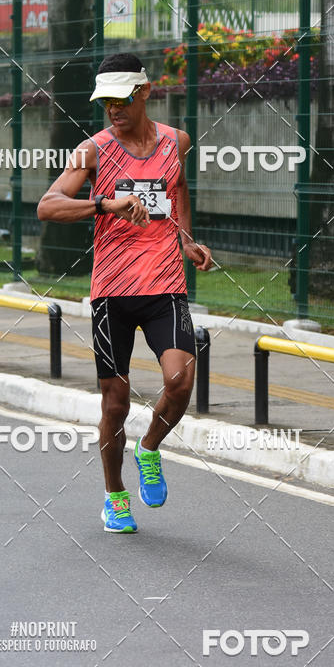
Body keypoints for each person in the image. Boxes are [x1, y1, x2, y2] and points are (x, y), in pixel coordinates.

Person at [37, 52, 212, 533]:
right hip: (112, 292)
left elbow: (177, 194)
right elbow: (48, 206)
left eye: (121, 99)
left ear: (144, 93)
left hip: (164, 285)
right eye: (105, 102)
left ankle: (150, 448)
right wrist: (106, 203)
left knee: (180, 381)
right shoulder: (91, 151)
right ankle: (115, 496)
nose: (112, 109)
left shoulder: (177, 142)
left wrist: (187, 240)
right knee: (115, 402)